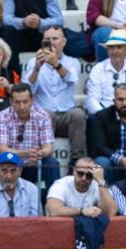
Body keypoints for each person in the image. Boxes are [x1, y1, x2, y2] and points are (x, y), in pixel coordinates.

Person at [24, 26, 87, 162]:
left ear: (63, 42)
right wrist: (37, 68)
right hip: (44, 116)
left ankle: (77, 162)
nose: (51, 42)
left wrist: (56, 64)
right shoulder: (32, 62)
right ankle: (47, 159)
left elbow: (72, 80)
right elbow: (27, 90)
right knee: (46, 114)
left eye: (55, 38)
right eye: (47, 39)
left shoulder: (72, 61)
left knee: (78, 114)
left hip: (66, 115)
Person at [0, 82, 58, 189]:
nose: (22, 106)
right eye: (17, 102)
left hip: (33, 163)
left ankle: (53, 199)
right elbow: (2, 149)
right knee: (2, 160)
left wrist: (38, 153)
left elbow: (48, 148)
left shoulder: (43, 116)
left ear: (32, 101)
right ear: (11, 102)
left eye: (25, 102)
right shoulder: (2, 117)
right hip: (9, 163)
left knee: (51, 163)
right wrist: (27, 153)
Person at [84, 29, 126, 114]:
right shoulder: (98, 69)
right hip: (103, 117)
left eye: (119, 47)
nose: (115, 51)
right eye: (111, 47)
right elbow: (92, 100)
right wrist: (105, 118)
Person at [46, 156, 117, 215]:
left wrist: (101, 181)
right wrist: (82, 211)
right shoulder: (61, 184)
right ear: (74, 171)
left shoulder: (98, 185)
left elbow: (111, 212)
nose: (84, 178)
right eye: (80, 173)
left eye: (89, 175)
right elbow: (54, 211)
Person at [0, 150, 41, 216]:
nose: (9, 176)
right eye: (4, 170)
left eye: (13, 170)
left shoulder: (32, 189)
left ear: (20, 171)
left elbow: (36, 219)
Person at [0, 0, 65, 59]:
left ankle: (52, 66)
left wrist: (41, 23)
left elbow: (59, 20)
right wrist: (23, 22)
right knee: (8, 31)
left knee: (56, 33)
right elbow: (6, 19)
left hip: (42, 35)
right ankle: (13, 70)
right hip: (20, 35)